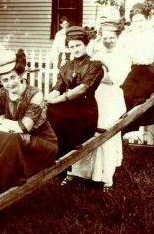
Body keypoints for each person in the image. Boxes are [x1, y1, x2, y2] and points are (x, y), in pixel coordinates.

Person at [61, 19, 131, 190]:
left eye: (112, 38)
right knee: (83, 132)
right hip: (93, 96)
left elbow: (116, 79)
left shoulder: (122, 56)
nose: (108, 41)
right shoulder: (95, 54)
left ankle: (106, 176)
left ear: (117, 37)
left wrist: (95, 75)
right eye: (105, 37)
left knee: (106, 133)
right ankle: (78, 171)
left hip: (110, 98)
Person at [0, 49, 58, 191]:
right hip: (16, 142)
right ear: (0, 82)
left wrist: (2, 120)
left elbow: (23, 127)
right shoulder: (0, 93)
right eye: (5, 80)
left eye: (13, 77)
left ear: (21, 75)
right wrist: (4, 125)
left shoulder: (35, 94)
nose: (10, 84)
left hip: (42, 145)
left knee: (12, 138)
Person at [45, 26, 104, 158]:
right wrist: (46, 99)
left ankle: (69, 145)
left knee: (58, 113)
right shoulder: (67, 66)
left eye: (78, 45)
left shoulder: (95, 65)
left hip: (85, 111)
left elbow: (83, 88)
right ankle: (54, 152)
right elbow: (57, 88)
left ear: (86, 44)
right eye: (72, 47)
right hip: (68, 109)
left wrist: (58, 99)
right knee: (47, 110)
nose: (75, 49)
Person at [118, 3, 154, 134]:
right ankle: (123, 128)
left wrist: (131, 50)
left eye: (141, 20)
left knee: (135, 95)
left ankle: (130, 127)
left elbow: (144, 56)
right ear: (131, 22)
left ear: (147, 20)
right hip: (128, 70)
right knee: (120, 93)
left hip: (144, 72)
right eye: (135, 21)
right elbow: (120, 51)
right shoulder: (126, 35)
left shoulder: (153, 35)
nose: (138, 23)